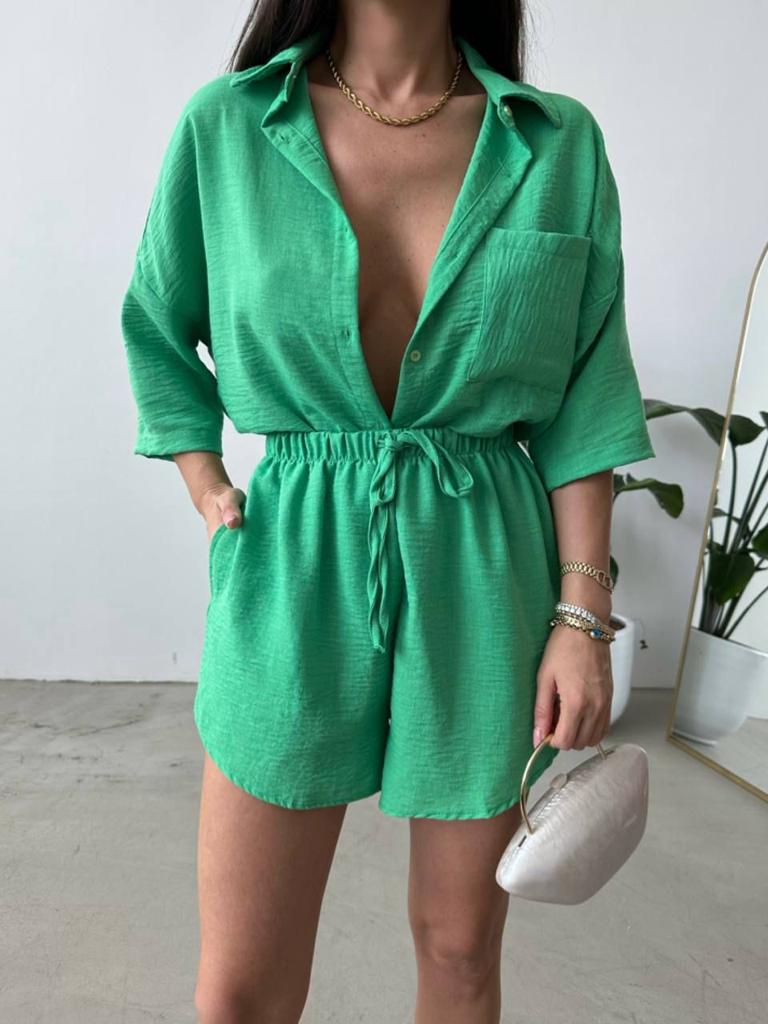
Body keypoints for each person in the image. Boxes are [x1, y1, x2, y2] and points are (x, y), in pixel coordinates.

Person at [120, 1, 656, 1021]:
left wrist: (582, 616)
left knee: (460, 950)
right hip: (292, 560)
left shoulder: (557, 144)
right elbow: (156, 320)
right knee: (240, 989)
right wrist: (202, 476)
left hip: (484, 567)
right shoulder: (227, 126)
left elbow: (587, 400)